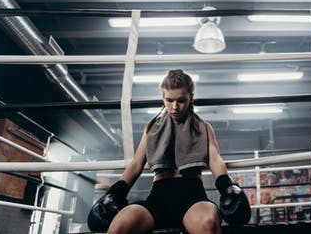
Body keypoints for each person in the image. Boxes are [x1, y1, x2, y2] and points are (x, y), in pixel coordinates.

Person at [87, 69, 251, 233]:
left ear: (190, 98)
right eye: (169, 100)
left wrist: (228, 187)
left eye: (181, 100)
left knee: (208, 224)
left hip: (193, 198)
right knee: (119, 226)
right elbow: (136, 165)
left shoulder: (204, 128)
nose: (175, 107)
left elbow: (215, 160)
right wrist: (115, 193)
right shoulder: (152, 128)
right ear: (163, 98)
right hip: (158, 198)